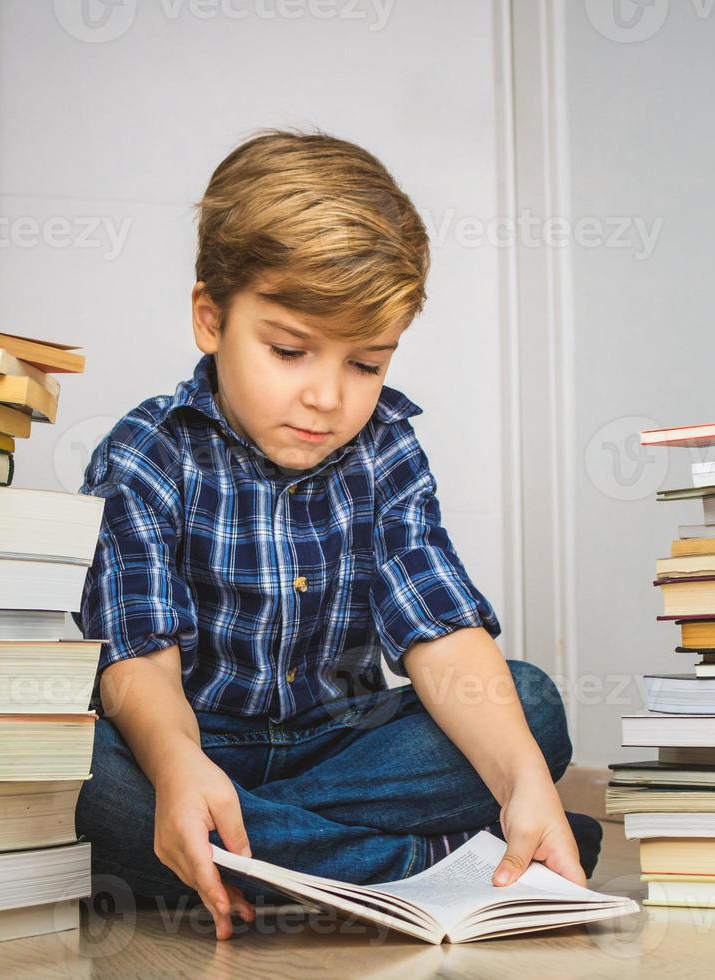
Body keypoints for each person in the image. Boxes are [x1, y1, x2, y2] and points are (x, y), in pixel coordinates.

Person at [74, 129, 601, 941]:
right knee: (95, 783)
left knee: (530, 708)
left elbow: (442, 634)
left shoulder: (385, 449)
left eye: (366, 364)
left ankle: (249, 858)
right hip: (191, 736)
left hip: (337, 747)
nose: (328, 396)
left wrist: (524, 778)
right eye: (290, 351)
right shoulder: (149, 452)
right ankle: (418, 865)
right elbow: (135, 665)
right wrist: (180, 766)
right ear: (211, 319)